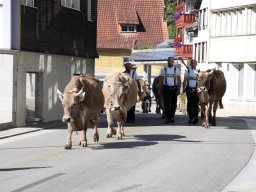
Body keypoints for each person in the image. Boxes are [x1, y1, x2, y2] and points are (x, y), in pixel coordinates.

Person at [159, 57, 181, 124]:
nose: (170, 62)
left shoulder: (176, 70)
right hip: (166, 88)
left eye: (172, 61)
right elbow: (161, 80)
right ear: (167, 62)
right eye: (169, 61)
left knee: (174, 104)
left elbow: (179, 80)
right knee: (166, 104)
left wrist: (178, 89)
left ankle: (172, 116)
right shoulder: (163, 70)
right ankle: (167, 117)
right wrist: (159, 90)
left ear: (173, 62)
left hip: (174, 88)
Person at [180, 57, 199, 124]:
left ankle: (196, 117)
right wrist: (183, 88)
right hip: (189, 89)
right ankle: (190, 117)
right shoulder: (187, 71)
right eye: (192, 63)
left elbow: (200, 81)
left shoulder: (198, 71)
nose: (193, 64)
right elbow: (184, 81)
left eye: (194, 63)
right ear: (190, 64)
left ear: (196, 64)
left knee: (196, 103)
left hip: (196, 90)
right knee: (190, 103)